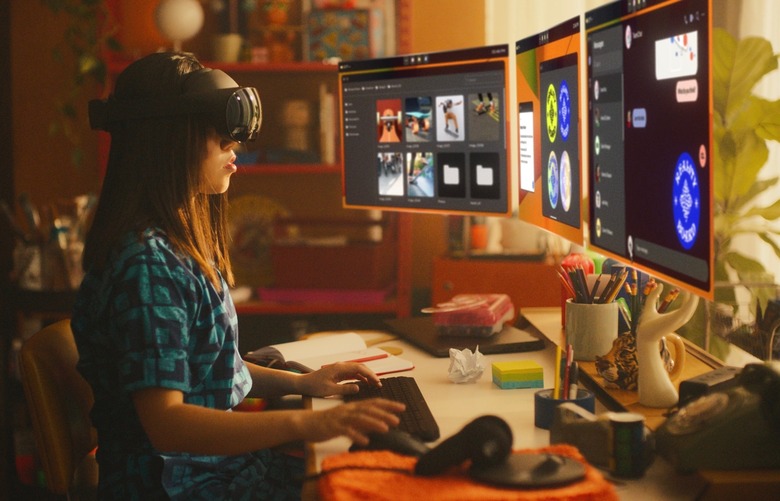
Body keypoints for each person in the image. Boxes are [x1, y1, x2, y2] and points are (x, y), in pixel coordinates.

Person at [72, 51, 404, 500]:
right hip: (179, 488)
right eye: (219, 134)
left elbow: (209, 372)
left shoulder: (174, 248)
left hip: (217, 472)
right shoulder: (146, 267)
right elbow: (168, 424)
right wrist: (306, 421)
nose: (235, 147)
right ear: (168, 139)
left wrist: (303, 383)